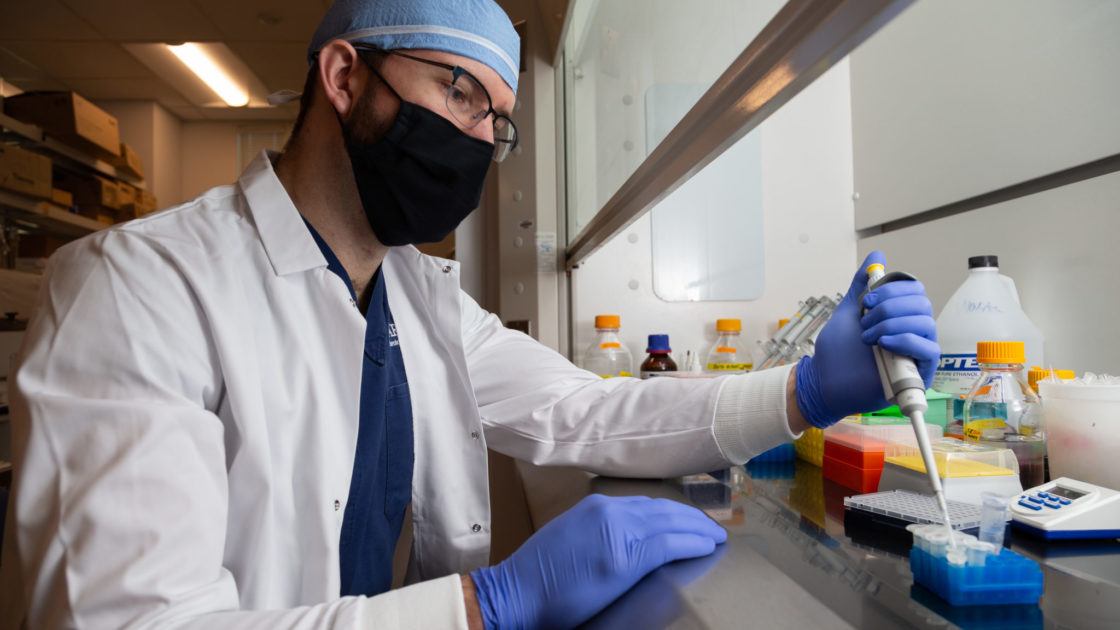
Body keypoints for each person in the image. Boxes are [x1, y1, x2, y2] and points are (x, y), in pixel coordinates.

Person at [0, 1, 940, 628]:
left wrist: (806, 390)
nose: (482, 140)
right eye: (458, 91)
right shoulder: (138, 288)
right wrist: (482, 605)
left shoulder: (421, 296)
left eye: (498, 117)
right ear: (343, 77)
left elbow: (584, 411)